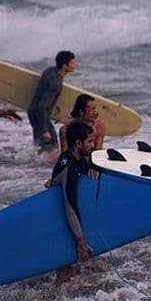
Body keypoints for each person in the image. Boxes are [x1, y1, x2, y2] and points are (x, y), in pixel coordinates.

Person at [49, 121, 96, 285]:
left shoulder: (79, 157)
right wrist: (81, 241)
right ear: (78, 143)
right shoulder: (68, 167)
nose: (93, 145)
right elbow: (70, 207)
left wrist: (94, 167)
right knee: (66, 272)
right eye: (90, 141)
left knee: (75, 274)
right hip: (60, 220)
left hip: (70, 218)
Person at [27, 50, 77, 160]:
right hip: (40, 116)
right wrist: (44, 129)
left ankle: (35, 166)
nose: (75, 65)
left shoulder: (50, 71)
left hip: (34, 113)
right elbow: (42, 105)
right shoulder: (56, 82)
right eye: (73, 63)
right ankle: (47, 169)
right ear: (65, 66)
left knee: (43, 148)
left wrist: (55, 113)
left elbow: (43, 98)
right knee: (52, 148)